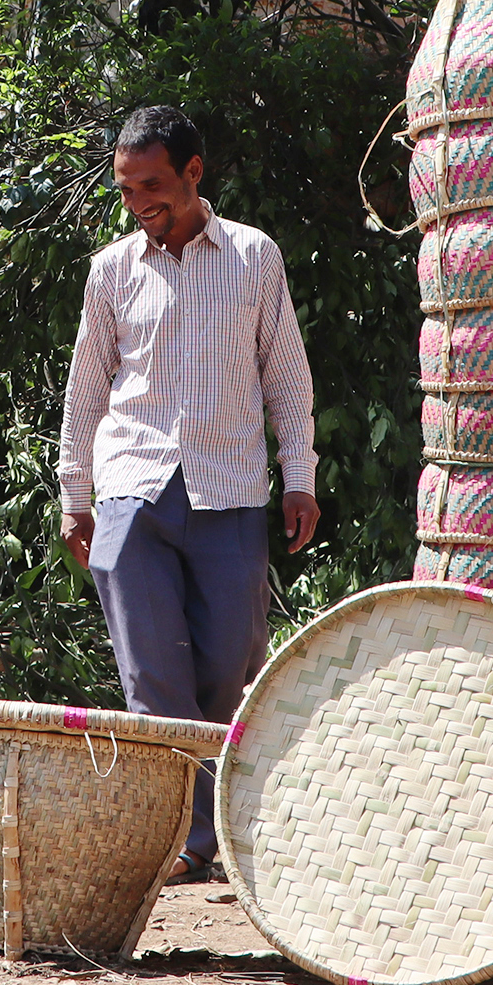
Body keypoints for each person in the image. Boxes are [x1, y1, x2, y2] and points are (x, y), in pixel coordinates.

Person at [58, 103, 319, 882]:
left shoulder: (252, 256)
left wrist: (299, 476)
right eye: (127, 185)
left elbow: (286, 375)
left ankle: (228, 829)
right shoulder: (111, 271)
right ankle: (177, 837)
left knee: (227, 670)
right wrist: (76, 492)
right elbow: (85, 391)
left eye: (154, 183)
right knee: (151, 676)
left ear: (194, 173)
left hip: (230, 490)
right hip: (131, 489)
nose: (139, 200)